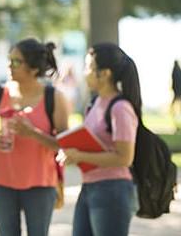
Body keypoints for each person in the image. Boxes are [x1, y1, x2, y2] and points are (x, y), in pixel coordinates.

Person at [0, 38, 69, 236]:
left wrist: (32, 134)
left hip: (40, 183)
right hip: (1, 182)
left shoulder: (54, 98)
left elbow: (64, 145)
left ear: (33, 69)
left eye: (15, 62)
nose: (9, 66)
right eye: (9, 60)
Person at [63, 43, 139, 236]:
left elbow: (124, 158)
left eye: (88, 67)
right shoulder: (94, 104)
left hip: (112, 190)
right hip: (89, 186)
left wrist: (81, 155)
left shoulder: (120, 108)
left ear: (104, 73)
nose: (84, 72)